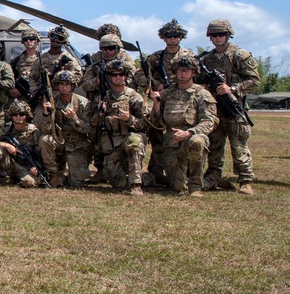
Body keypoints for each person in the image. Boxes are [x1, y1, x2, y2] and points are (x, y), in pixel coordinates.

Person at [198, 19, 260, 194]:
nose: (217, 38)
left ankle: (245, 180)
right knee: (214, 145)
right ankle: (214, 175)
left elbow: (254, 80)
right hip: (215, 109)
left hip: (234, 107)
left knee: (238, 145)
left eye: (221, 34)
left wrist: (232, 88)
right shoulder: (207, 59)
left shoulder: (240, 55)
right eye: (214, 35)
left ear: (228, 35)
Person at [150, 55, 217, 197]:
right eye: (180, 70)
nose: (183, 73)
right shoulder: (167, 94)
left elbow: (209, 121)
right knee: (177, 186)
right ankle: (208, 181)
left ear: (193, 72)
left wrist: (189, 133)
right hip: (171, 143)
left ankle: (196, 186)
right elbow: (157, 123)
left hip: (191, 137)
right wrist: (156, 104)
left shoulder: (202, 94)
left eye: (187, 70)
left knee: (197, 142)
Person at [142, 20, 198, 184]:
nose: (172, 39)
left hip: (184, 101)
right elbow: (140, 76)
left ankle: (185, 170)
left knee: (183, 134)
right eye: (169, 36)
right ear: (163, 37)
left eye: (176, 36)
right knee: (156, 134)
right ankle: (156, 171)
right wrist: (154, 83)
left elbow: (199, 77)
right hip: (162, 99)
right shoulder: (156, 57)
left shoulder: (189, 56)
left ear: (181, 37)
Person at [89, 59, 151, 195]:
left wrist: (129, 119)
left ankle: (136, 185)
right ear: (109, 77)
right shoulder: (103, 98)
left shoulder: (134, 97)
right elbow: (93, 125)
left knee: (134, 142)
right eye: (114, 74)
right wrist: (100, 114)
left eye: (121, 74)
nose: (118, 77)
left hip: (129, 138)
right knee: (117, 182)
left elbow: (145, 124)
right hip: (112, 143)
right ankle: (148, 178)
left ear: (126, 76)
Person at [37, 71, 93, 188]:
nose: (64, 87)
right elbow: (45, 129)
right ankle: (53, 174)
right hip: (59, 141)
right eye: (61, 84)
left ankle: (66, 176)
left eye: (67, 84)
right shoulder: (52, 102)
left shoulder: (83, 103)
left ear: (73, 86)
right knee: (44, 139)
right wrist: (47, 114)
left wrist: (73, 119)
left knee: (76, 183)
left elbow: (88, 129)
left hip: (77, 143)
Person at [0, 99, 43, 189]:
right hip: (10, 164)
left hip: (27, 167)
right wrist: (6, 145)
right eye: (15, 114)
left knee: (29, 182)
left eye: (21, 114)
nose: (18, 117)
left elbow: (42, 153)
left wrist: (37, 167)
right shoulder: (6, 130)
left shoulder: (33, 131)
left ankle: (19, 179)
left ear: (26, 115)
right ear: (11, 116)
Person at [29, 25, 82, 99]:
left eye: (59, 38)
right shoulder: (40, 59)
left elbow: (78, 79)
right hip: (44, 97)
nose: (55, 40)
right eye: (53, 36)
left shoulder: (69, 60)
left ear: (64, 41)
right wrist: (35, 90)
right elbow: (32, 77)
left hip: (62, 98)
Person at [9, 28, 41, 103]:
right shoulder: (16, 61)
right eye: (25, 39)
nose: (28, 41)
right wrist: (12, 88)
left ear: (37, 41)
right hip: (23, 99)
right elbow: (9, 78)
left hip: (39, 98)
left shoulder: (42, 60)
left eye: (31, 39)